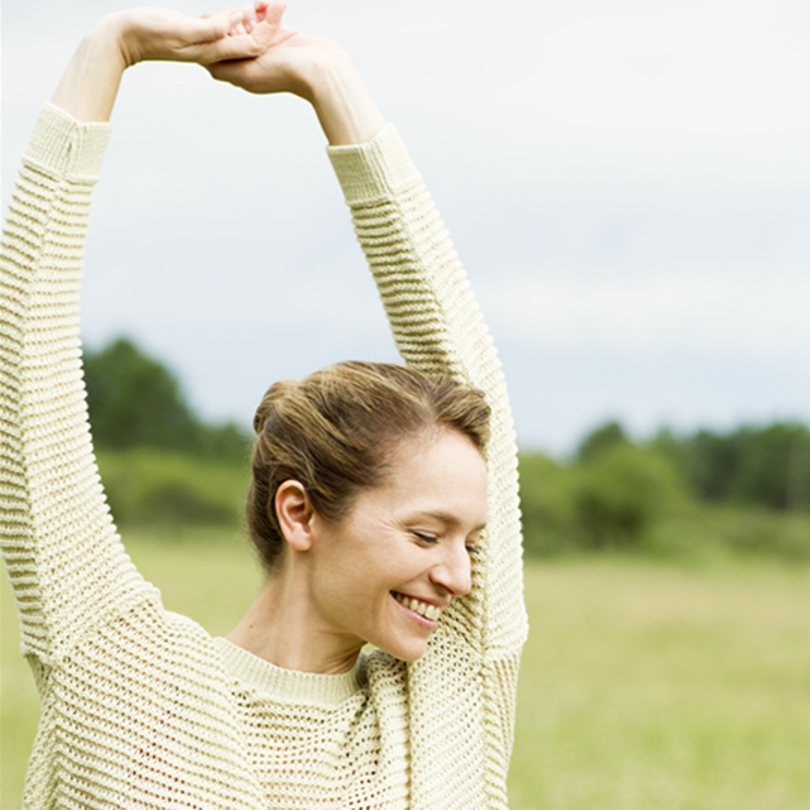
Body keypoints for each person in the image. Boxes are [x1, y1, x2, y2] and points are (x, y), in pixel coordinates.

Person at [0, 3, 527, 807]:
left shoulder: (446, 697)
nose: (460, 574)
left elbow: (474, 387)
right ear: (300, 513)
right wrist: (110, 49)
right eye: (427, 533)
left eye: (470, 538)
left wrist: (335, 86)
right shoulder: (120, 672)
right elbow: (27, 377)